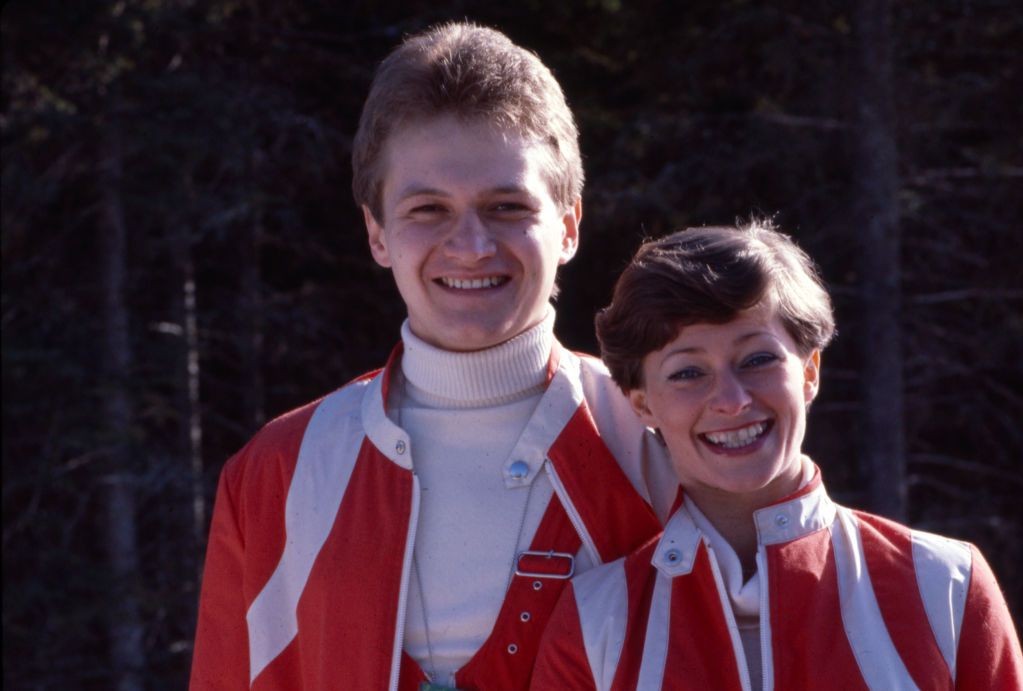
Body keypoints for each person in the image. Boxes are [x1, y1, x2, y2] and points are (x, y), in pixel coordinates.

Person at [189, 22, 676, 691]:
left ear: (568, 224)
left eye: (507, 206)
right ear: (377, 231)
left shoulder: (660, 441)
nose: (471, 244)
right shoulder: (277, 472)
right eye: (427, 209)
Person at [531, 222, 1023, 690]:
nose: (732, 399)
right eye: (687, 373)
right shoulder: (595, 620)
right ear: (642, 403)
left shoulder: (947, 586)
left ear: (810, 371)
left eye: (758, 359)